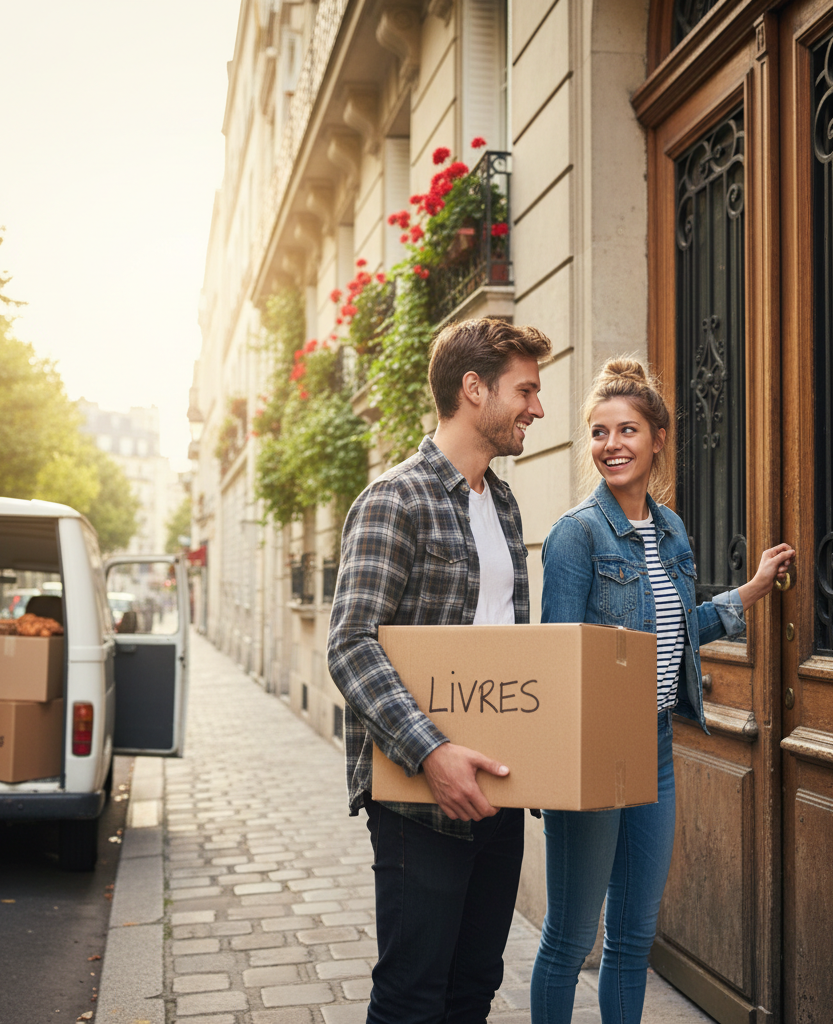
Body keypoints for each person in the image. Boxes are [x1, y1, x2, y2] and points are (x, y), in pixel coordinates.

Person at [529, 359, 794, 1024]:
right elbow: (561, 659)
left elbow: (671, 632)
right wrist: (557, 771)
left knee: (634, 938)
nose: (610, 445)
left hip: (655, 750)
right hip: (593, 752)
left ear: (658, 440)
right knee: (568, 938)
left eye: (626, 430)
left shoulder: (670, 530)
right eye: (598, 432)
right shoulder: (575, 535)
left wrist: (750, 592)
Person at [327, 317, 552, 1024]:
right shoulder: (395, 498)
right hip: (416, 794)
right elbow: (351, 644)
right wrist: (432, 752)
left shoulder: (505, 503)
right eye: (526, 390)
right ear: (473, 387)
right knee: (412, 996)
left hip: (498, 787)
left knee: (475, 985)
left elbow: (505, 646)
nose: (537, 408)